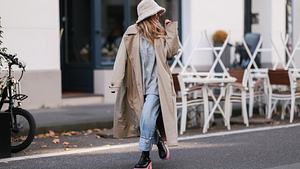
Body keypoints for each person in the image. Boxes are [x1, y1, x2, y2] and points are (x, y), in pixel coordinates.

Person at [109, 0, 180, 168]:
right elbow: (121, 58)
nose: (158, 16)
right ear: (147, 15)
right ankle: (159, 142)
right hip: (137, 85)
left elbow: (172, 52)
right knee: (143, 120)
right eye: (155, 13)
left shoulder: (160, 32)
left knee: (147, 117)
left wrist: (171, 30)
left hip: (157, 85)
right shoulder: (131, 33)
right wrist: (116, 81)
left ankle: (145, 157)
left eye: (158, 13)